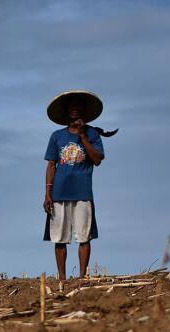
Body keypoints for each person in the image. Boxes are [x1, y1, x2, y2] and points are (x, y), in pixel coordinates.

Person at [42, 90, 109, 281]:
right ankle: (62, 278)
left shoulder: (93, 134)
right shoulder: (56, 136)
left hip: (83, 193)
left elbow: (97, 159)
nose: (74, 111)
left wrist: (82, 136)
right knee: (60, 238)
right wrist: (48, 193)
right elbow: (51, 165)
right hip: (59, 193)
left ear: (83, 112)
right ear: (65, 113)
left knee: (84, 236)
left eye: (77, 108)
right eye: (71, 108)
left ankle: (81, 277)